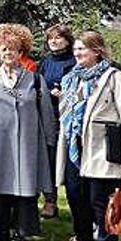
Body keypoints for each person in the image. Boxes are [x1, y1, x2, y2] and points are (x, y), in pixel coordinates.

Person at [56, 31, 121, 241]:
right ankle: (83, 238)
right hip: (75, 145)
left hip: (101, 147)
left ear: (97, 51)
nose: (77, 53)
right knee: (74, 194)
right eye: (75, 49)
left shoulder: (115, 77)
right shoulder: (71, 78)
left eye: (82, 49)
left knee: (101, 200)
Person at [0, 32, 56, 241]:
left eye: (13, 49)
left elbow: (46, 111)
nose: (9, 53)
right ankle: (0, 231)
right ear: (0, 53)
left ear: (21, 53)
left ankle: (23, 232)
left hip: (29, 142)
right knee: (0, 185)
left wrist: (49, 139)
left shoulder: (34, 80)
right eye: (5, 49)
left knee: (26, 186)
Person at [37, 24, 76, 219]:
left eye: (58, 37)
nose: (54, 41)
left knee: (69, 160)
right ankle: (50, 200)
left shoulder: (75, 61)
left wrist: (65, 94)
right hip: (47, 116)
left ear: (68, 40)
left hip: (68, 116)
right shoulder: (45, 62)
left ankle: (75, 201)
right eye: (51, 38)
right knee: (49, 158)